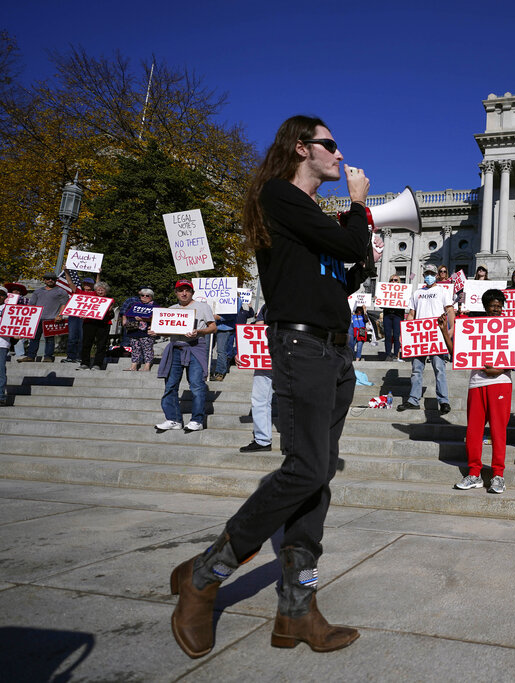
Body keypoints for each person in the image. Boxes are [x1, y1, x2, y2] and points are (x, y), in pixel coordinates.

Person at [169, 115, 371, 658]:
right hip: (301, 347)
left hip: (334, 351)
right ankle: (205, 575)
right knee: (305, 468)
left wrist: (356, 227)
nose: (339, 153)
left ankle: (296, 610)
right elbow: (353, 245)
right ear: (302, 147)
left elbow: (356, 265)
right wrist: (356, 204)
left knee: (318, 475)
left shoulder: (310, 218)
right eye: (330, 144)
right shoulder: (279, 196)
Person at [439, 289, 512, 494]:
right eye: (492, 306)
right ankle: (474, 473)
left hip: (501, 382)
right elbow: (457, 355)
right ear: (485, 307)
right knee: (473, 430)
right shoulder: (473, 327)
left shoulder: (510, 327)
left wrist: (499, 369)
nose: (496, 309)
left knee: (498, 430)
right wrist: (445, 331)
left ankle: (498, 475)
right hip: (477, 383)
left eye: (499, 306)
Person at [154, 280, 216, 432]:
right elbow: (166, 330)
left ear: (192, 293)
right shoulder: (171, 309)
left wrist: (199, 331)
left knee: (196, 385)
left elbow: (213, 327)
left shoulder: (202, 307)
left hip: (195, 347)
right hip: (175, 348)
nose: (184, 293)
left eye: (187, 290)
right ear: (176, 293)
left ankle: (197, 420)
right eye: (180, 290)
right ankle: (173, 419)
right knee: (170, 385)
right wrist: (156, 330)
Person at [398, 263, 454, 414]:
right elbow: (411, 314)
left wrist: (452, 328)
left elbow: (449, 310)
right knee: (416, 369)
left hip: (436, 335)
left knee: (439, 368)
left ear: (436, 275)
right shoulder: (417, 293)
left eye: (432, 273)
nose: (429, 276)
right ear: (423, 275)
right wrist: (405, 333)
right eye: (426, 273)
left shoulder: (442, 291)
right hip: (419, 337)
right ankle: (413, 400)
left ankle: (443, 401)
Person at [240, 304, 273, 453]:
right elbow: (257, 329)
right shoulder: (268, 306)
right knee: (259, 399)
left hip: (292, 359)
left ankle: (299, 442)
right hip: (265, 359)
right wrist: (244, 351)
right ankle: (262, 439)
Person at [18, 273, 69, 363]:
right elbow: (32, 305)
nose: (50, 280)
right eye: (48, 278)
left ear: (55, 280)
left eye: (52, 279)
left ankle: (48, 357)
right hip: (37, 318)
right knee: (33, 338)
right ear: (44, 280)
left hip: (51, 319)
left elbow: (64, 304)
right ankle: (31, 356)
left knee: (49, 340)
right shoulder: (37, 291)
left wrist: (60, 315)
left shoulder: (61, 292)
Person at [76, 281, 116, 370]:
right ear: (95, 291)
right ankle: (85, 363)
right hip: (89, 323)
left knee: (101, 345)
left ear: (106, 291)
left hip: (103, 324)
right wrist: (82, 313)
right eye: (98, 290)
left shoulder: (110, 300)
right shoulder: (89, 299)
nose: (100, 292)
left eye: (102, 290)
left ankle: (97, 364)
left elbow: (109, 311)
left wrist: (110, 310)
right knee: (86, 343)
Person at [62, 277, 95, 364]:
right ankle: (70, 356)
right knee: (72, 337)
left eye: (89, 284)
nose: (87, 285)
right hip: (74, 316)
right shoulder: (78, 292)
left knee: (82, 338)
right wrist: (66, 271)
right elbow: (70, 282)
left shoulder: (94, 294)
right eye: (85, 283)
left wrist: (98, 274)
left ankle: (79, 357)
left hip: (85, 318)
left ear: (93, 285)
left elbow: (98, 284)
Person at [123, 288, 156, 371]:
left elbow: (157, 319)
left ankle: (147, 366)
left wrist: (143, 319)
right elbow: (127, 314)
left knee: (147, 349)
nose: (144, 297)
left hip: (146, 331)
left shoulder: (154, 306)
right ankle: (133, 366)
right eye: (142, 295)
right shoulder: (135, 305)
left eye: (147, 296)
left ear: (151, 297)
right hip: (134, 330)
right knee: (135, 348)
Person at [382, 275, 404, 361]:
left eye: (395, 280)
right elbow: (381, 305)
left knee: (396, 336)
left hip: (398, 315)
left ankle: (395, 355)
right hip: (387, 315)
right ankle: (388, 354)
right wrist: (378, 299)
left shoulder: (403, 291)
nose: (393, 282)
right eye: (391, 280)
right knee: (387, 335)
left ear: (398, 282)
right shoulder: (385, 291)